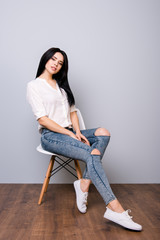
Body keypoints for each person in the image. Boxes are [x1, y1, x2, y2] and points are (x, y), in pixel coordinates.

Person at [26, 47, 142, 231]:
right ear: (45, 59)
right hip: (51, 136)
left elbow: (72, 111)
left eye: (60, 62)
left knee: (103, 132)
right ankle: (115, 208)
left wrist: (78, 132)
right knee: (92, 154)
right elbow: (43, 119)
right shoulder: (34, 86)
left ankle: (84, 183)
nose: (56, 64)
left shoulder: (61, 85)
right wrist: (69, 134)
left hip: (70, 131)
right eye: (53, 59)